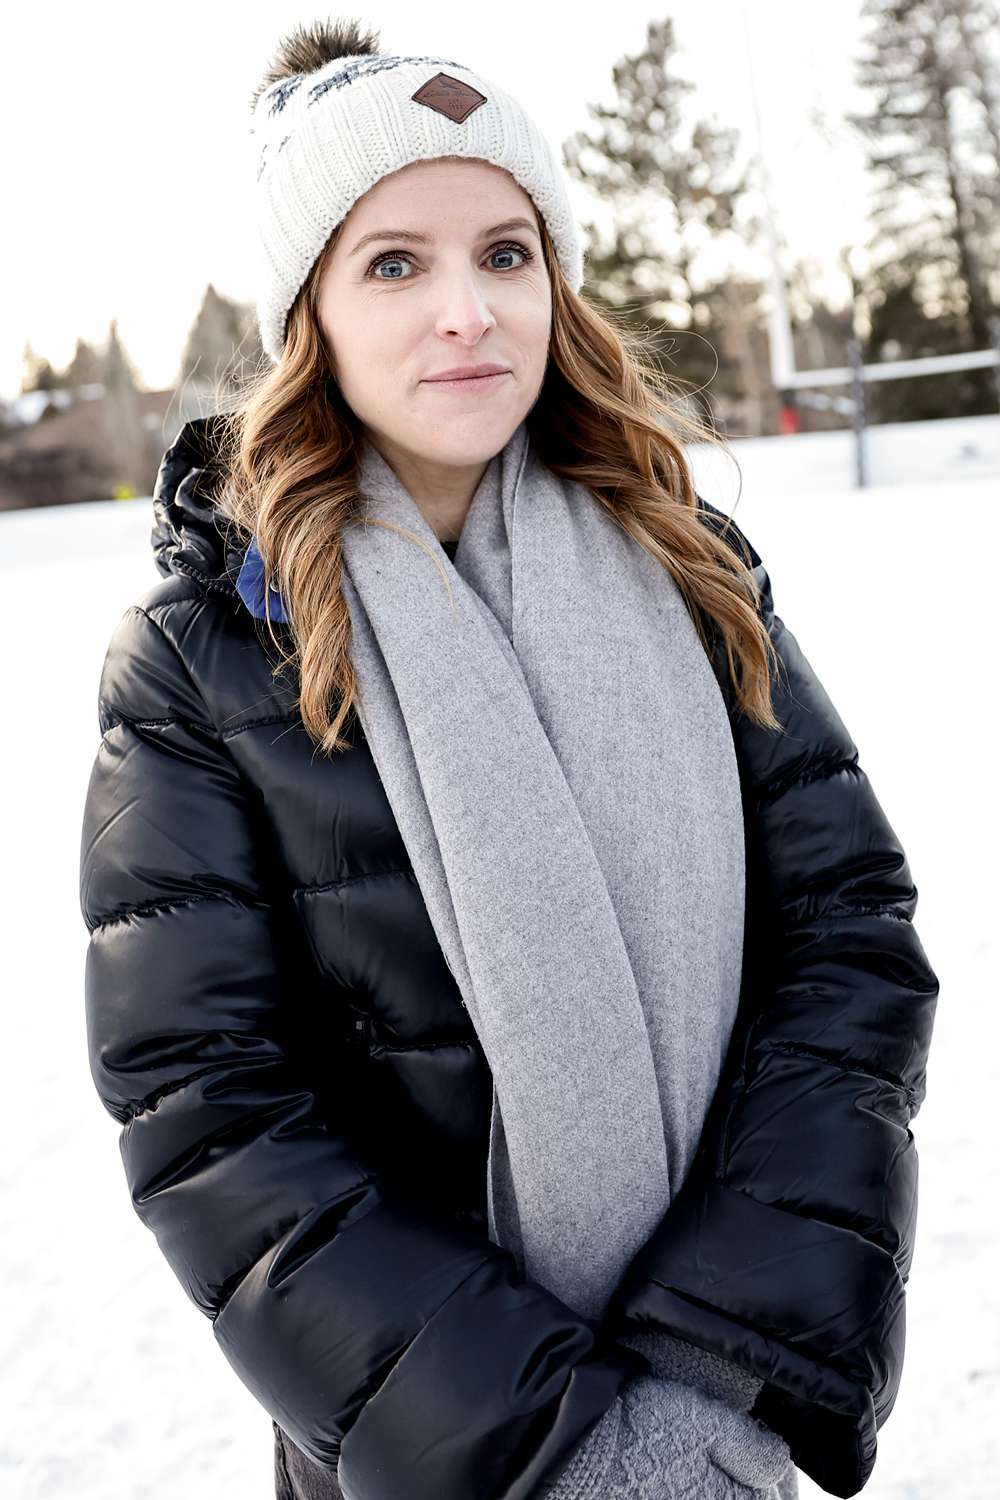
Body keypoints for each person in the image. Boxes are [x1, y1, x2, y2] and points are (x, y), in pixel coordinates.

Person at [78, 17, 940, 1500]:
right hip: (438, 1452)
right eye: (394, 263)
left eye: (507, 251)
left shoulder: (689, 565)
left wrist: (718, 1371)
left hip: (725, 1428)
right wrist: (554, 1443)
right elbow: (208, 1105)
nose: (468, 310)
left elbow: (847, 939)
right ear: (312, 314)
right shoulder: (203, 655)